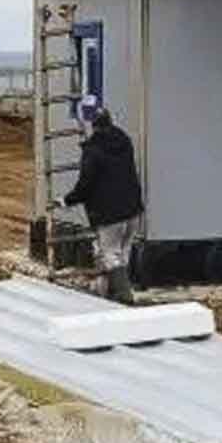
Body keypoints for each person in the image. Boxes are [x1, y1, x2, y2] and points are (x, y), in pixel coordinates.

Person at [59, 105, 144, 303]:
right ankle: (110, 295)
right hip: (132, 209)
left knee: (110, 255)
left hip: (109, 214)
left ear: (92, 125)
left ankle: (125, 298)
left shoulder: (94, 150)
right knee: (123, 254)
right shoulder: (124, 140)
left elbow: (86, 184)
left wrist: (66, 200)